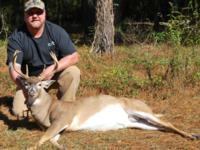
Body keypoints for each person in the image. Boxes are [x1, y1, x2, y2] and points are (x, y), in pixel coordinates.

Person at [6, 0, 80, 118]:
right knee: (19, 112)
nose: (35, 16)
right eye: (30, 13)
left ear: (44, 14)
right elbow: (14, 68)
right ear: (25, 17)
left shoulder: (56, 31)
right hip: (29, 82)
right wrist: (24, 87)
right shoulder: (17, 38)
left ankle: (66, 109)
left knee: (73, 72)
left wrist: (52, 69)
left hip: (53, 76)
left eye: (39, 12)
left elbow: (74, 56)